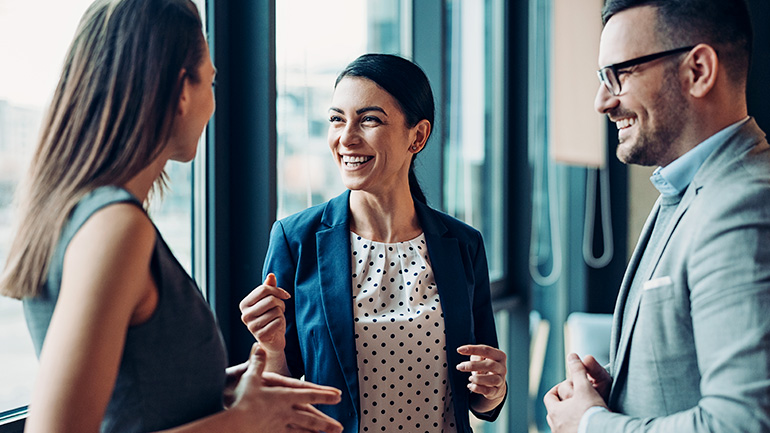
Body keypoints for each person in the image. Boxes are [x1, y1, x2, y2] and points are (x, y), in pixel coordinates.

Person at [0, 1, 344, 432]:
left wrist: (216, 390)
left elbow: (128, 394)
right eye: (212, 83)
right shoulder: (115, 227)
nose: (213, 103)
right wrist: (246, 420)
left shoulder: (85, 212)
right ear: (182, 91)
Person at [238, 53, 508, 433]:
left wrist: (493, 388)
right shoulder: (294, 239)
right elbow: (278, 396)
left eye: (368, 120)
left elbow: (482, 393)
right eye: (336, 119)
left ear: (417, 136)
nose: (346, 138)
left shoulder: (463, 244)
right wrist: (271, 345)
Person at [544, 0, 770, 432]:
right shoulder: (688, 187)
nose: (602, 102)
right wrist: (621, 390)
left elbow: (741, 423)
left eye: (620, 74)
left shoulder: (745, 205)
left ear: (698, 70)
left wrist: (591, 424)